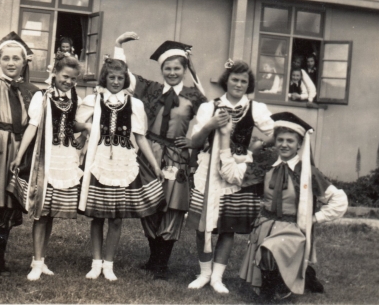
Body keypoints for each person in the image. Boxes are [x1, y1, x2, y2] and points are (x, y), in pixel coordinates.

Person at [114, 33, 207, 279]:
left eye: (177, 68)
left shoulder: (194, 95)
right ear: (161, 68)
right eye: (168, 68)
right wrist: (118, 47)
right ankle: (154, 257)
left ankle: (161, 262)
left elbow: (210, 120)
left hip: (177, 157)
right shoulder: (151, 89)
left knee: (173, 207)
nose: (172, 72)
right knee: (151, 203)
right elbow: (124, 77)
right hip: (150, 154)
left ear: (185, 69)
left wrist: (193, 141)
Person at [232, 112, 348, 300]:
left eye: (290, 141)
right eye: (280, 140)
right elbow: (237, 175)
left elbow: (339, 200)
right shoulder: (267, 164)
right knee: (270, 254)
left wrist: (315, 218)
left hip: (292, 228)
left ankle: (270, 295)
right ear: (274, 141)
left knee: (270, 251)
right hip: (266, 225)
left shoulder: (307, 172)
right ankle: (304, 275)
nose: (284, 145)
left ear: (300, 144)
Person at [185, 59, 274, 293]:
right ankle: (204, 273)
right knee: (202, 225)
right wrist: (210, 125)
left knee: (228, 226)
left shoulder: (256, 109)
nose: (239, 84)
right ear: (227, 81)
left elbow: (273, 133)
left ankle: (217, 277)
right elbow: (194, 142)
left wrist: (256, 148)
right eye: (235, 79)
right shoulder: (210, 107)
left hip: (236, 172)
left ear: (249, 84)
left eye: (244, 81)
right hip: (209, 170)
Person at [76, 57, 165, 281]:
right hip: (100, 162)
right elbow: (75, 123)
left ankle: (109, 263)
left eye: (120, 77)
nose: (116, 81)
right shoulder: (94, 99)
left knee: (116, 218)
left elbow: (141, 137)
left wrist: (155, 166)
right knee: (97, 216)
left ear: (126, 79)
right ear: (104, 78)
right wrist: (87, 127)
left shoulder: (134, 104)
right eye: (111, 77)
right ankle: (96, 263)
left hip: (122, 162)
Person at [9, 52, 90, 281]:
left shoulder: (75, 98)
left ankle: (42, 260)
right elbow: (33, 127)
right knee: (41, 213)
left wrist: (85, 127)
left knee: (51, 212)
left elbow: (70, 123)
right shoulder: (42, 97)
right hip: (46, 157)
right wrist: (19, 155)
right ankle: (35, 262)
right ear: (54, 74)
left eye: (73, 79)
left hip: (65, 156)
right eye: (65, 76)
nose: (69, 81)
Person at [0, 13, 40, 276]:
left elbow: (34, 124)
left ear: (24, 62)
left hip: (17, 149)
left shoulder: (31, 91)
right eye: (6, 58)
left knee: (7, 202)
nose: (11, 63)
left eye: (16, 58)